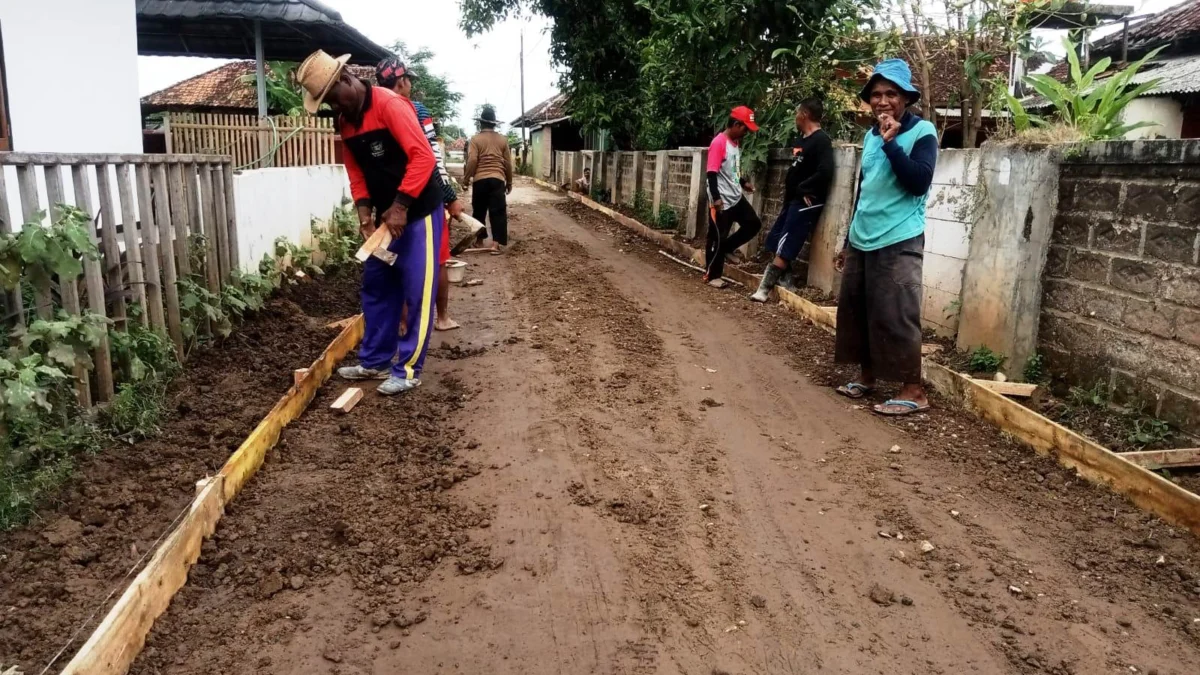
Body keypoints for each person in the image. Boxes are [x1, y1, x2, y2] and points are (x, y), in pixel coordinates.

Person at [296, 49, 442, 396]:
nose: (335, 108)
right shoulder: (346, 122)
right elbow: (356, 171)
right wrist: (364, 209)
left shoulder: (390, 105)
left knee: (417, 292)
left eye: (333, 100)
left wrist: (401, 204)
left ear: (345, 80)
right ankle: (375, 359)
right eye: (328, 104)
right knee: (377, 286)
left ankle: (407, 370)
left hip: (418, 211)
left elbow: (422, 157)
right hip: (385, 219)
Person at [833, 58, 938, 416]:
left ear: (905, 97)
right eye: (876, 94)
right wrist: (848, 238)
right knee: (860, 309)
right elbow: (865, 188)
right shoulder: (870, 135)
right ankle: (868, 376)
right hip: (864, 236)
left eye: (890, 93)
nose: (882, 101)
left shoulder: (922, 132)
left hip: (899, 235)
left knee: (897, 313)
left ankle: (913, 390)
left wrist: (893, 143)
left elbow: (918, 181)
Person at [376, 56, 461, 331]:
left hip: (389, 203)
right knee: (437, 261)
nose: (410, 84)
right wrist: (449, 196)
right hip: (423, 199)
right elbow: (430, 158)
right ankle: (442, 318)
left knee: (395, 263)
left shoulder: (374, 114)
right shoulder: (417, 110)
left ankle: (402, 325)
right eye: (409, 79)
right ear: (402, 81)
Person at [751, 99, 835, 302]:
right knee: (775, 239)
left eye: (797, 113)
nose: (795, 117)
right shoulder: (802, 141)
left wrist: (804, 188)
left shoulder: (821, 141)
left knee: (787, 243)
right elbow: (797, 166)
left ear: (804, 114)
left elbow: (826, 171)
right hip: (792, 200)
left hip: (806, 201)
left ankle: (764, 289)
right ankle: (786, 280)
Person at [704, 106, 763, 288]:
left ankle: (728, 248)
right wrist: (716, 198)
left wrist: (742, 182)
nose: (747, 133)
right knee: (716, 237)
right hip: (721, 198)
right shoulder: (719, 143)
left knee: (753, 224)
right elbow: (712, 173)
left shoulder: (735, 143)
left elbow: (731, 170)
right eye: (746, 128)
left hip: (735, 196)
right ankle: (713, 275)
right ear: (736, 124)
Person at [463, 105, 513, 252]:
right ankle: (495, 245)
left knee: (479, 210)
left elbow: (472, 160)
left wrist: (466, 180)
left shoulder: (475, 139)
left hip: (480, 180)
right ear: (494, 123)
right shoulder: (503, 140)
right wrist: (509, 181)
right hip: (498, 179)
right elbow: (508, 163)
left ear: (480, 123)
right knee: (498, 211)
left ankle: (479, 241)